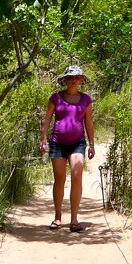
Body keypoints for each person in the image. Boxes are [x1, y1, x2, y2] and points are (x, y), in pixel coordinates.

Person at [39, 65, 95, 233]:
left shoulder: (86, 100)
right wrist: (43, 139)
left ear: (81, 80)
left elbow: (89, 122)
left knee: (77, 176)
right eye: (70, 77)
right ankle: (57, 217)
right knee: (60, 180)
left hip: (77, 143)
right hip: (57, 143)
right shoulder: (56, 98)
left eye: (76, 77)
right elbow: (47, 119)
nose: (73, 80)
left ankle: (74, 220)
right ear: (64, 80)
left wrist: (91, 144)